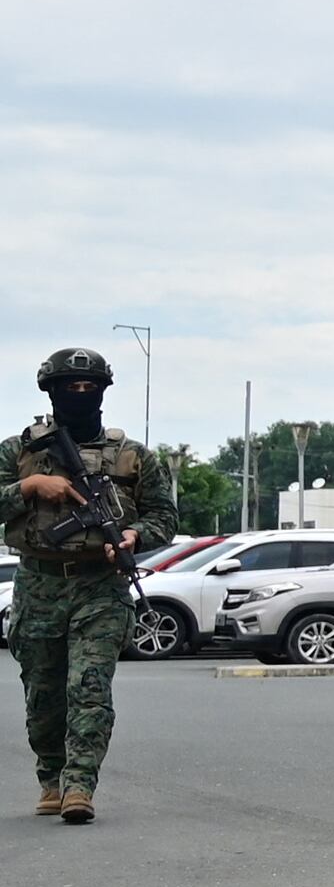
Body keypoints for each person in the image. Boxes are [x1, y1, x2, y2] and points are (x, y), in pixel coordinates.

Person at [10, 348, 176, 824]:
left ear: (103, 392)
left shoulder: (133, 456)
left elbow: (164, 516)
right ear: (51, 392)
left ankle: (79, 784)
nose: (80, 395)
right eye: (70, 387)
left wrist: (135, 535)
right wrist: (30, 488)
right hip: (39, 585)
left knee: (90, 687)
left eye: (89, 387)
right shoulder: (18, 452)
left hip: (100, 588)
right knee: (43, 694)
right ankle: (51, 777)